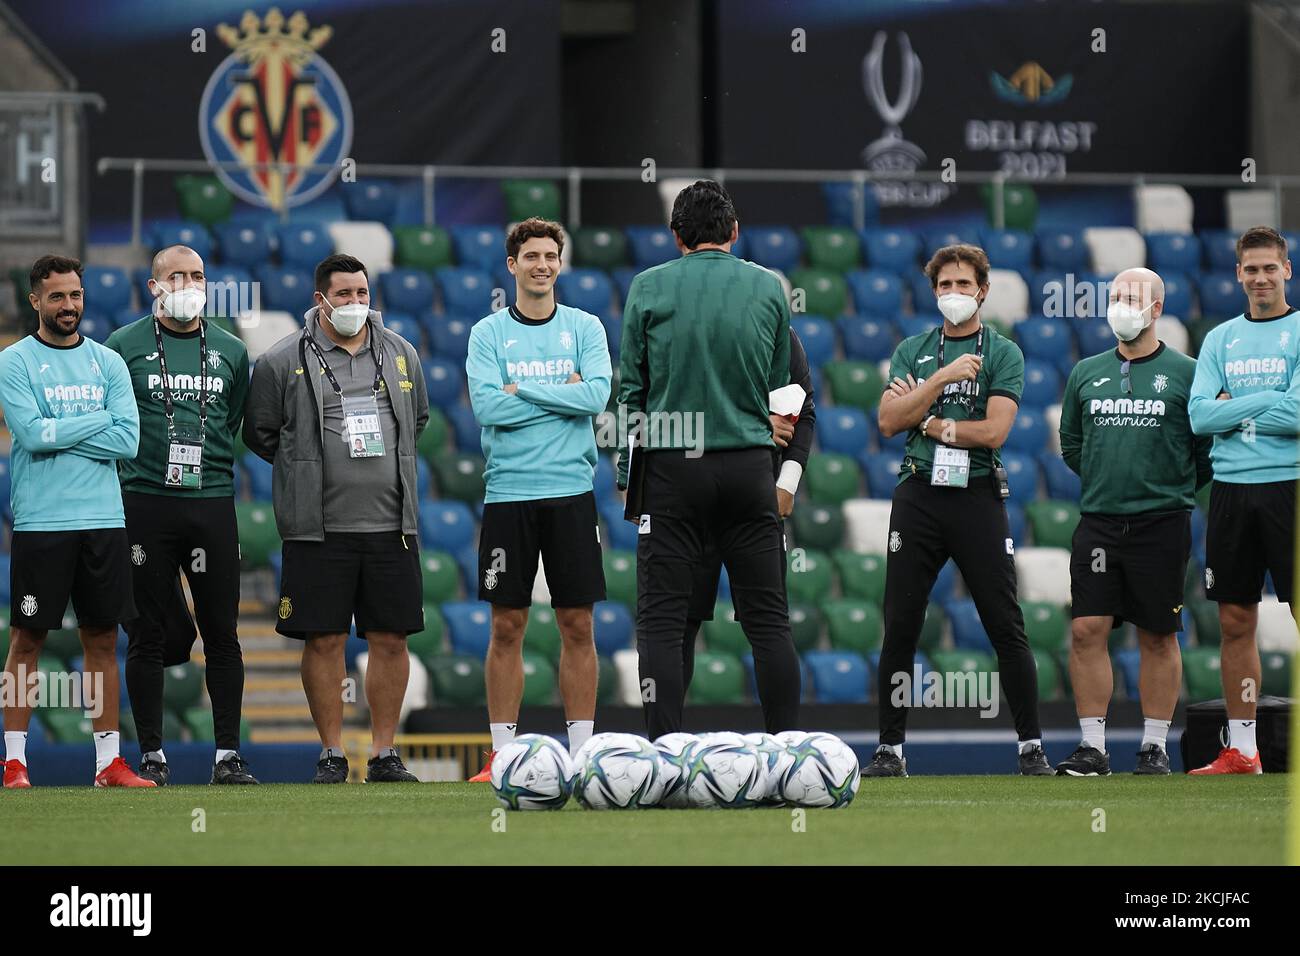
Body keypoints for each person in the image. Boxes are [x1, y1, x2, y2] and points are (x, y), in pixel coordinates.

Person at [617, 180, 801, 738]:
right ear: (735, 232)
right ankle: (787, 755)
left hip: (674, 471)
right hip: (748, 469)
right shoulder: (769, 288)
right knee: (769, 624)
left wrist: (630, 478)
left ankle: (664, 753)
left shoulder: (647, 287)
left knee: (663, 624)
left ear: (676, 236)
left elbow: (632, 395)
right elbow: (779, 392)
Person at [866, 243, 1050, 777]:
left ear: (983, 291)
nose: (953, 294)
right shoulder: (914, 350)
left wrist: (927, 420)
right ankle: (890, 751)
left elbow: (993, 431)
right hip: (919, 494)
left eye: (963, 285)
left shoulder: (1003, 353)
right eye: (944, 286)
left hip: (975, 495)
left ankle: (1031, 746)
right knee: (900, 623)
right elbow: (885, 421)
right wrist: (941, 382)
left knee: (1003, 622)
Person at [244, 254, 429, 784]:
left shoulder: (400, 353)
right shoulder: (281, 360)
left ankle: (384, 753)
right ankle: (330, 752)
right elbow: (260, 433)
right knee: (322, 639)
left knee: (391, 639)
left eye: (362, 293)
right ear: (320, 299)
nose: (355, 304)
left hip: (392, 525)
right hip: (317, 527)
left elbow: (416, 420)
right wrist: (304, 469)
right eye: (344, 294)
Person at [464, 218, 612, 781]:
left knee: (578, 624)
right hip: (509, 495)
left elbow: (597, 395)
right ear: (512, 265)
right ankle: (501, 754)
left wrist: (521, 389)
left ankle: (583, 756)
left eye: (551, 255)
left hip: (572, 494)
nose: (542, 264)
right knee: (507, 625)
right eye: (531, 256)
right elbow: (487, 410)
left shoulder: (585, 326)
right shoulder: (487, 333)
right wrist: (563, 395)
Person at [106, 244, 256, 786]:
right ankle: (151, 754)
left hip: (212, 500)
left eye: (197, 275)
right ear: (154, 286)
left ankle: (228, 756)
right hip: (144, 500)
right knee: (147, 634)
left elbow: (233, 418)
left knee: (223, 632)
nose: (189, 284)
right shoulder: (121, 347)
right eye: (177, 276)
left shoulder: (232, 351)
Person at [0, 255, 151, 788]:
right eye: (57, 297)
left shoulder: (107, 362)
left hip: (104, 519)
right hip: (42, 521)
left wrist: (59, 426)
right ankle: (14, 761)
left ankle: (108, 763)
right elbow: (32, 433)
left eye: (76, 296)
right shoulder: (14, 362)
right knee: (27, 640)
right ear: (35, 300)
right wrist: (96, 422)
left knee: (103, 640)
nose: (69, 306)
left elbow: (128, 441)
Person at [1056, 267, 1211, 776]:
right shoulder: (1086, 371)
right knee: (1086, 629)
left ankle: (1153, 746)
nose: (1121, 304)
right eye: (1116, 295)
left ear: (1157, 309)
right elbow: (1073, 445)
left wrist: (1168, 487)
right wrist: (1109, 479)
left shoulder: (1189, 373)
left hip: (1162, 522)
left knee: (1158, 634)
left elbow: (1205, 452)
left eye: (1133, 297)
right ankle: (1093, 747)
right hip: (1099, 521)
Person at [1188, 226, 1298, 774]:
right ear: (1237, 274)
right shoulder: (1218, 338)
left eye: (1269, 268)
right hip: (1231, 491)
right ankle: (1245, 750)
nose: (1260, 277)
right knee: (1235, 621)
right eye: (1250, 269)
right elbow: (1200, 416)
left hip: (1290, 487)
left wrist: (1237, 404)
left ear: (1286, 271)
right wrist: (1270, 400)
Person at [677, 327, 816, 725]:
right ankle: (662, 752)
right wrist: (756, 426)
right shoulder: (676, 320)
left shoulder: (776, 330)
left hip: (756, 496)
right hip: (689, 495)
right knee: (677, 625)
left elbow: (803, 412)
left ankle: (785, 751)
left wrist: (787, 483)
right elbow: (662, 409)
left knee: (769, 624)